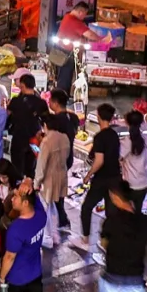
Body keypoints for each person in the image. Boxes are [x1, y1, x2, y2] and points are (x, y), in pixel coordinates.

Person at [0, 180, 54, 292]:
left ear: (25, 203)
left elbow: (9, 257)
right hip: (34, 274)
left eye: (16, 196)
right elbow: (36, 198)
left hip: (14, 279)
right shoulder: (41, 216)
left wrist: (0, 279)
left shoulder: (15, 229)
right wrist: (28, 183)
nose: (12, 198)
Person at [75, 103, 122, 250]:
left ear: (98, 117)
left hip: (102, 179)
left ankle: (85, 240)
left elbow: (99, 161)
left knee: (87, 207)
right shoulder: (115, 135)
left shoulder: (100, 137)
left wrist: (88, 175)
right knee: (111, 212)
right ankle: (108, 242)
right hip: (115, 178)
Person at [34, 113, 70, 245]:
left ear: (45, 126)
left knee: (46, 207)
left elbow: (41, 165)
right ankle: (54, 234)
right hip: (62, 175)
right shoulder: (65, 137)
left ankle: (48, 237)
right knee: (54, 205)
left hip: (49, 179)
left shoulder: (47, 141)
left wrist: (36, 183)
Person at [48, 89, 79, 230]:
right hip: (68, 158)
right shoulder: (73, 118)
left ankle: (62, 220)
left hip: (57, 160)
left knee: (55, 192)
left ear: (55, 103)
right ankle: (60, 218)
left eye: (50, 101)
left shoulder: (55, 121)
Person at [7, 73, 47, 178]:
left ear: (22, 85)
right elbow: (46, 122)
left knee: (17, 168)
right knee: (32, 166)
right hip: (35, 141)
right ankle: (30, 188)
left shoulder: (15, 101)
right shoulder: (41, 103)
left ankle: (18, 188)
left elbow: (7, 117)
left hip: (18, 140)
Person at [55, 1, 102, 91]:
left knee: (63, 76)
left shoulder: (67, 16)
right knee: (65, 78)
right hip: (66, 54)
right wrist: (102, 39)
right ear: (80, 12)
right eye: (85, 14)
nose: (85, 16)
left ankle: (63, 95)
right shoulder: (74, 21)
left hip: (61, 51)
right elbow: (90, 35)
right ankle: (63, 97)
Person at [121, 111, 147, 211]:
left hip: (131, 184)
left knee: (128, 211)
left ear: (127, 123)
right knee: (137, 209)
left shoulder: (127, 141)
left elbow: (118, 157)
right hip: (145, 182)